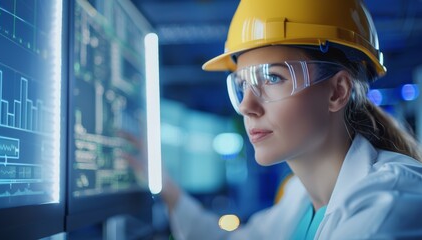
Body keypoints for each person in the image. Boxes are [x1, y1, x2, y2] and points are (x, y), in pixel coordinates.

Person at [156, 0, 422, 239]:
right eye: (243, 84)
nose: (246, 106)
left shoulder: (388, 206)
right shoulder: (299, 196)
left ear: (337, 91)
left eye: (273, 78)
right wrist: (165, 186)